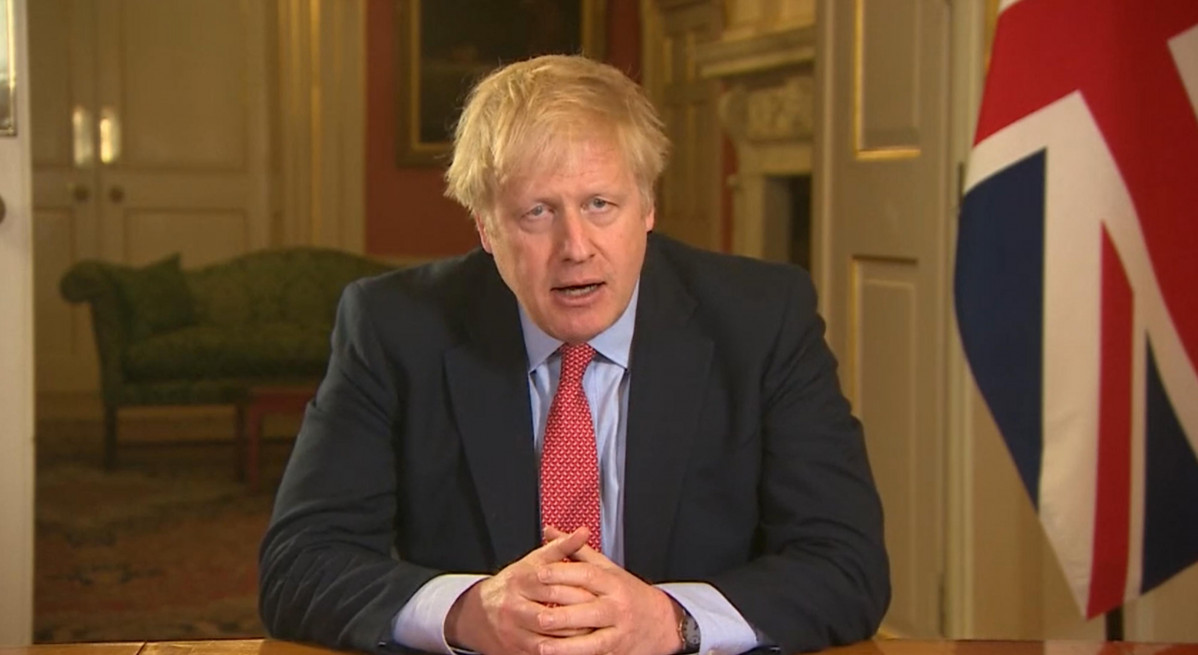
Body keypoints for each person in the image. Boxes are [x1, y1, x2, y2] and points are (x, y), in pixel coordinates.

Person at [259, 54, 889, 655]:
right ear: (485, 227)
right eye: (537, 212)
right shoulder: (395, 327)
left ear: (646, 206)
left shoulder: (761, 319)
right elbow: (300, 564)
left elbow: (845, 563)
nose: (576, 247)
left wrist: (672, 620)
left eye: (600, 204)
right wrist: (472, 610)